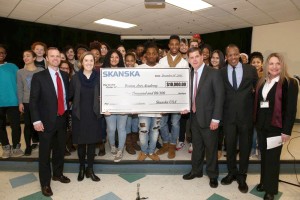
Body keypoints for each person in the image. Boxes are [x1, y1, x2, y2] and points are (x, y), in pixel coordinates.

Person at [254, 53, 298, 200]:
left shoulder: (289, 83)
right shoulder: (262, 81)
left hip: (276, 128)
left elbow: (291, 109)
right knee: (264, 157)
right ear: (266, 65)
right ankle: (263, 183)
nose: (274, 66)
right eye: (271, 63)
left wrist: (286, 131)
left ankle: (271, 190)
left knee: (273, 159)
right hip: (262, 126)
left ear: (282, 65)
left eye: (277, 63)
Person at [30, 47, 70, 197]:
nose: (55, 59)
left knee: (60, 150)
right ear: (47, 58)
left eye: (57, 56)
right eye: (52, 56)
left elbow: (67, 96)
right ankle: (45, 183)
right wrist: (36, 120)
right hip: (45, 122)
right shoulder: (39, 77)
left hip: (62, 119)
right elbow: (33, 101)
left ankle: (58, 174)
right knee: (45, 154)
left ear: (61, 58)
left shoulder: (65, 76)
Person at [182, 47, 224, 189]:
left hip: (210, 119)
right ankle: (196, 171)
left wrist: (216, 119)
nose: (194, 59)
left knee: (211, 149)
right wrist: (185, 106)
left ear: (202, 57)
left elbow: (220, 97)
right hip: (194, 117)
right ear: (188, 59)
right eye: (191, 57)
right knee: (197, 147)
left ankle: (213, 175)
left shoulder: (213, 73)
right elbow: (190, 95)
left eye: (196, 56)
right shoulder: (189, 75)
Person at [220, 44, 258, 193]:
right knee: (229, 147)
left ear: (240, 55)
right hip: (228, 117)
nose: (233, 57)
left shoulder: (251, 70)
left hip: (246, 117)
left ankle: (242, 175)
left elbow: (257, 93)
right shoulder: (222, 72)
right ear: (226, 57)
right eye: (230, 55)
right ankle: (231, 172)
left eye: (235, 54)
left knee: (245, 147)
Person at [69, 52, 101, 182]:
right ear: (81, 62)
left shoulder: (99, 77)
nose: (89, 63)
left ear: (94, 62)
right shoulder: (75, 78)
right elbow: (69, 95)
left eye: (91, 61)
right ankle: (82, 168)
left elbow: (106, 94)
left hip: (94, 114)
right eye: (86, 60)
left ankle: (90, 169)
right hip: (79, 115)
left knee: (92, 144)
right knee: (81, 144)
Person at [157, 35, 189, 159]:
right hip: (164, 97)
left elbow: (186, 83)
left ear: (179, 46)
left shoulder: (184, 62)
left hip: (178, 98)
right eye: (172, 44)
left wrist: (185, 102)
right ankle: (165, 143)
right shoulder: (162, 61)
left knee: (175, 123)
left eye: (177, 44)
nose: (175, 46)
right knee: (162, 123)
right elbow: (158, 79)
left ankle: (172, 146)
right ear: (169, 46)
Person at [137, 43, 163, 161]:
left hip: (157, 109)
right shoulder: (139, 69)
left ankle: (151, 151)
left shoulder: (162, 69)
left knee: (155, 131)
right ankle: (143, 151)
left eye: (154, 53)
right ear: (145, 55)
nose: (151, 55)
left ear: (157, 55)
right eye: (149, 53)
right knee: (143, 131)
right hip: (143, 109)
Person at [103, 50, 128, 162]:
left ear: (120, 59)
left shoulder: (125, 72)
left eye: (116, 57)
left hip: (123, 105)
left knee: (121, 128)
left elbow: (129, 89)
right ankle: (112, 145)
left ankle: (120, 150)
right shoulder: (103, 72)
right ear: (108, 58)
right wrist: (103, 105)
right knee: (111, 129)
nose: (114, 59)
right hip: (109, 106)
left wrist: (127, 107)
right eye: (111, 57)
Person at [17, 50, 43, 156]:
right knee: (28, 125)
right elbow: (20, 88)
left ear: (34, 58)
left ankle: (42, 144)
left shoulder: (41, 70)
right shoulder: (20, 72)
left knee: (40, 124)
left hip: (39, 102)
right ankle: (28, 146)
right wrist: (20, 102)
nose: (25, 58)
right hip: (27, 102)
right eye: (24, 56)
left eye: (28, 56)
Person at [0, 44, 23, 159]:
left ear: (5, 54)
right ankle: (5, 147)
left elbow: (20, 83)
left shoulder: (12, 66)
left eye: (3, 52)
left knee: (15, 125)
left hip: (13, 101)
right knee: (0, 126)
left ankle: (16, 147)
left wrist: (21, 100)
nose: (1, 54)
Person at [210, 50, 226, 159]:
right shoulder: (207, 70)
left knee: (219, 128)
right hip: (209, 105)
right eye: (213, 57)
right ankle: (210, 148)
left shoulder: (224, 72)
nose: (214, 60)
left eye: (217, 58)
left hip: (221, 104)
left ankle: (218, 149)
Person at [124, 52, 140, 155]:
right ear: (125, 62)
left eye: (131, 60)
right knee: (128, 124)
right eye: (127, 60)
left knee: (135, 124)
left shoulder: (139, 72)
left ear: (135, 61)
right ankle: (128, 145)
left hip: (137, 103)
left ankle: (134, 142)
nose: (129, 62)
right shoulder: (121, 73)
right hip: (126, 104)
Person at [249, 51, 264, 159]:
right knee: (253, 130)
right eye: (253, 62)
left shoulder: (266, 76)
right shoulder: (248, 75)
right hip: (251, 106)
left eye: (258, 62)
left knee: (262, 130)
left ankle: (261, 149)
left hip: (263, 107)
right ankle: (253, 148)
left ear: (262, 63)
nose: (256, 64)